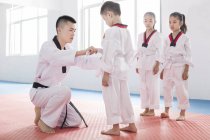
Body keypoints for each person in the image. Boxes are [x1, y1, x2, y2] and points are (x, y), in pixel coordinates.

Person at [29, 15, 97, 133]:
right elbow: (57, 58)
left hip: (54, 95)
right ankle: (45, 122)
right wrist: (82, 51)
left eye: (74, 30)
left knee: (75, 121)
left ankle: (43, 112)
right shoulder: (47, 46)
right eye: (70, 30)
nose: (73, 33)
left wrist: (103, 58)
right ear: (59, 30)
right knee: (65, 91)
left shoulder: (69, 49)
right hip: (39, 93)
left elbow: (84, 62)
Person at [92, 1, 137, 136]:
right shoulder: (126, 31)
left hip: (112, 69)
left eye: (105, 19)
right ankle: (131, 124)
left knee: (112, 97)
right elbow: (128, 52)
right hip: (122, 68)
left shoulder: (111, 31)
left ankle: (115, 127)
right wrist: (99, 50)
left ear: (109, 14)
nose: (105, 22)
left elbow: (110, 53)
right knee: (124, 96)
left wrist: (106, 72)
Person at [160, 12, 193, 121]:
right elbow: (164, 55)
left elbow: (189, 55)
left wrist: (186, 70)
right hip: (168, 66)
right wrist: (162, 69)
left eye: (174, 22)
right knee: (166, 87)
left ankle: (182, 113)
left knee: (181, 89)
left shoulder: (185, 38)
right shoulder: (167, 38)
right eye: (170, 22)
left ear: (181, 23)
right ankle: (166, 111)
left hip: (180, 66)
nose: (171, 24)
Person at [136, 12, 162, 116]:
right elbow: (138, 50)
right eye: (145, 20)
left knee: (153, 86)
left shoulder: (158, 35)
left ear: (155, 21)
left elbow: (160, 51)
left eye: (150, 20)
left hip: (152, 61)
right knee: (143, 86)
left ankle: (152, 109)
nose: (148, 22)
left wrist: (157, 64)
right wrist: (137, 64)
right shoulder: (140, 35)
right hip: (142, 62)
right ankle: (146, 108)